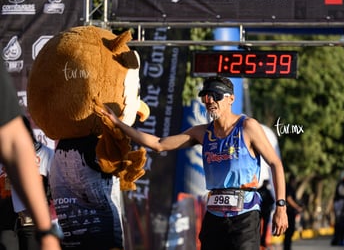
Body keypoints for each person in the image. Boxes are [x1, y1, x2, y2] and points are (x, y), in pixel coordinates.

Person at [101, 76, 289, 249]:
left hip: (245, 215)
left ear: (231, 98)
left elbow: (275, 163)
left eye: (215, 96)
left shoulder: (247, 127)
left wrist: (281, 207)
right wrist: (118, 123)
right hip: (215, 216)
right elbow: (158, 144)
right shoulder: (201, 133)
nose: (210, 101)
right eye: (205, 97)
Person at [0, 64, 61, 250]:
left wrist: (47, 229)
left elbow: (12, 139)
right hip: (6, 220)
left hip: (31, 221)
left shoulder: (46, 153)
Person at [11, 116, 61, 250]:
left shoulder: (46, 153)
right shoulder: (8, 156)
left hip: (37, 223)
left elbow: (57, 188)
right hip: (12, 224)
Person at [283, 176, 303, 250]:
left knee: (291, 231)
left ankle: (288, 247)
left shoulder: (291, 188)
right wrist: (297, 207)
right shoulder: (288, 188)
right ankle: (287, 247)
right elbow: (289, 199)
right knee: (289, 231)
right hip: (289, 212)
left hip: (291, 212)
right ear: (292, 180)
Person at [258, 179, 275, 249]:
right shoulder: (267, 191)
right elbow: (272, 201)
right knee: (264, 227)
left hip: (259, 211)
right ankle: (262, 242)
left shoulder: (259, 190)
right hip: (266, 212)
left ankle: (259, 241)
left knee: (258, 227)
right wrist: (269, 207)